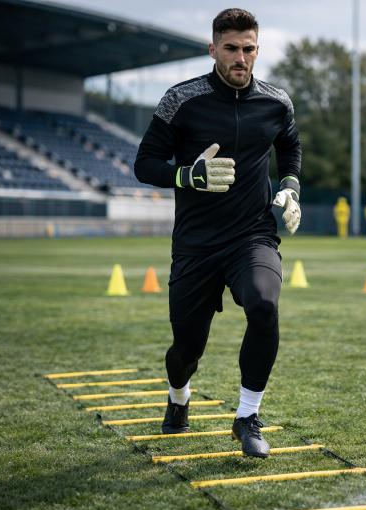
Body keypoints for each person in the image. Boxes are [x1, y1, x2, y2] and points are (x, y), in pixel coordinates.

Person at [133, 8, 301, 458]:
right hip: (196, 244)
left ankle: (247, 416)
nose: (240, 58)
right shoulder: (180, 99)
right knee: (187, 348)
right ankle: (178, 397)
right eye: (230, 49)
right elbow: (144, 163)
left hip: (253, 236)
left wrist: (290, 186)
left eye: (248, 49)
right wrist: (188, 176)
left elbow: (289, 144)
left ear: (257, 50)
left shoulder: (276, 101)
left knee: (264, 305)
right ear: (214, 49)